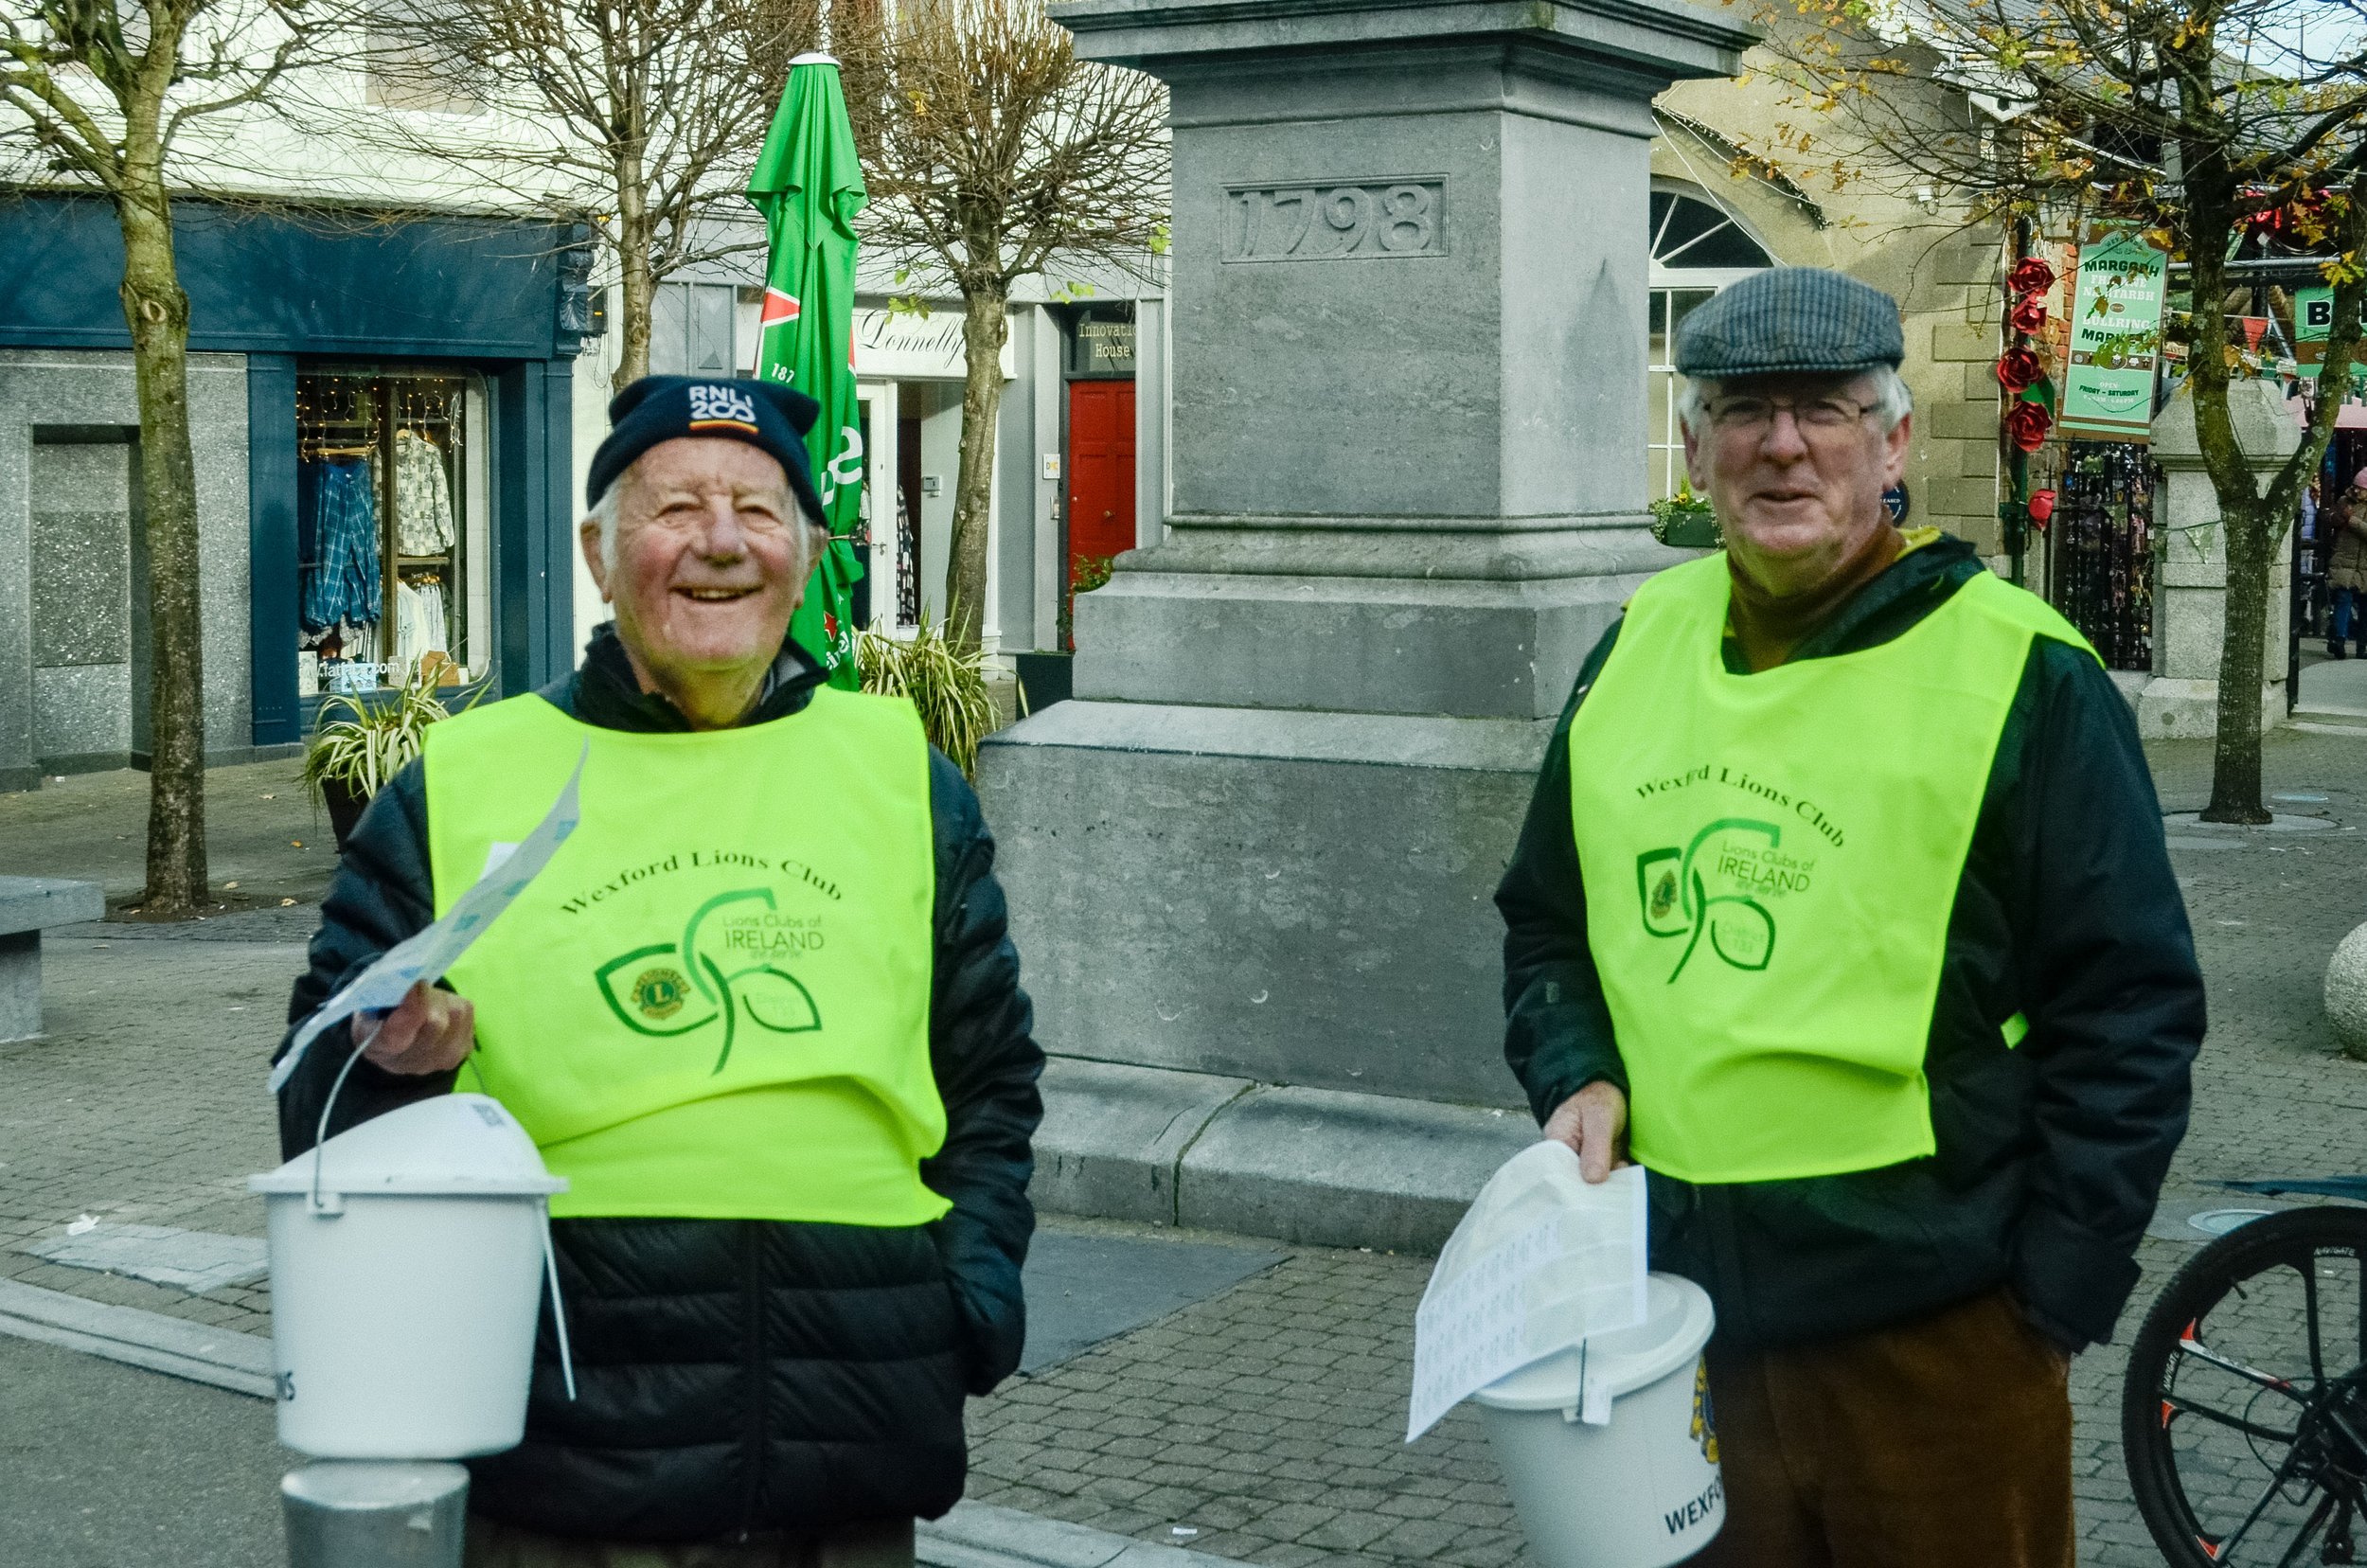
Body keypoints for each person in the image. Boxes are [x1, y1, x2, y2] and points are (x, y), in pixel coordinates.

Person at [1495, 268, 2205, 1568]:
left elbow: (2133, 1007)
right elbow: (1547, 922)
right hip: (1676, 1335)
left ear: (1889, 445)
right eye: (1743, 409)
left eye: (1823, 407)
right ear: (1696, 444)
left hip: (1936, 1342)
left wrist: (2050, 1303)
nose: (1781, 443)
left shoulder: (2025, 673)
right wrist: (1575, 1067)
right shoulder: (1632, 647)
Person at [275, 375, 1043, 1568]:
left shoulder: (903, 774)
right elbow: (314, 1095)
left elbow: (990, 1077)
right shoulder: (469, 776)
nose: (723, 543)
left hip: (844, 1462)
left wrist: (968, 1303)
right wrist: (394, 1068)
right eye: (677, 508)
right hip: (563, 1468)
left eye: (759, 508)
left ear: (807, 551)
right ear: (597, 550)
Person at [2328, 471, 2367, 658]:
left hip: (2364, 564)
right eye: (2356, 487)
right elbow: (2331, 519)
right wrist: (2335, 518)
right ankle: (2339, 640)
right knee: (2343, 599)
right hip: (2344, 561)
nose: (2356, 491)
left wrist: (2351, 521)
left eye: (2361, 488)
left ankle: (2362, 647)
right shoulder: (2344, 501)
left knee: (2365, 607)